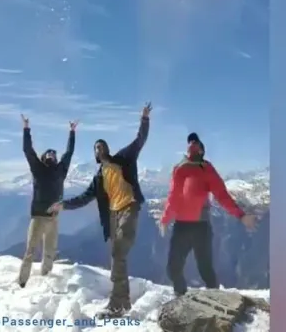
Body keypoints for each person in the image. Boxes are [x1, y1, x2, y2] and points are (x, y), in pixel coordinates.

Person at [48, 102, 152, 318]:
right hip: (113, 217)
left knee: (118, 251)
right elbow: (84, 198)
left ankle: (117, 304)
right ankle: (122, 303)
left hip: (129, 208)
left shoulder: (123, 158)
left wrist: (144, 118)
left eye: (101, 145)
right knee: (117, 257)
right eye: (96, 147)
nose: (99, 149)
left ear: (107, 149)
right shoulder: (99, 178)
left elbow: (139, 140)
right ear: (95, 155)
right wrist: (63, 205)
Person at [159, 132, 257, 297]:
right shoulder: (180, 169)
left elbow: (221, 195)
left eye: (196, 143)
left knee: (204, 268)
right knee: (174, 268)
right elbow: (174, 197)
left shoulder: (206, 169)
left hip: (200, 226)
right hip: (183, 226)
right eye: (191, 142)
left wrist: (241, 215)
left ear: (202, 150)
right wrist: (165, 219)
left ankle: (215, 299)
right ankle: (181, 297)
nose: (193, 145)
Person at [17, 114, 78, 288]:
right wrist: (26, 128)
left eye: (53, 153)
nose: (51, 154)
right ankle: (22, 281)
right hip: (38, 217)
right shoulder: (38, 169)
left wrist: (72, 132)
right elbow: (28, 151)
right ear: (44, 158)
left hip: (53, 217)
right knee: (30, 251)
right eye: (48, 153)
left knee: (50, 251)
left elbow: (69, 153)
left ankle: (46, 278)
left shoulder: (61, 171)